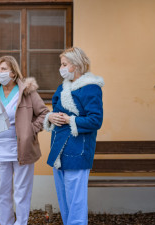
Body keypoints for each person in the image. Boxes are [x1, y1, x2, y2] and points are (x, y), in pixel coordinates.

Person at [0, 56, 49, 225]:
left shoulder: (27, 91)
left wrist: (30, 130)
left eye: (4, 69)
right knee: (3, 191)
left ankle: (21, 223)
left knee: (22, 191)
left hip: (22, 148)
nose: (0, 72)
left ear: (13, 72)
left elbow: (44, 113)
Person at [43, 47, 104, 225]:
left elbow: (95, 120)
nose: (60, 68)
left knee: (76, 200)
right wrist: (51, 116)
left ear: (76, 65)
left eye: (64, 64)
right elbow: (56, 111)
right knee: (64, 199)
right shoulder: (62, 88)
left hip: (78, 150)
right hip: (59, 149)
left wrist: (71, 120)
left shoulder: (91, 88)